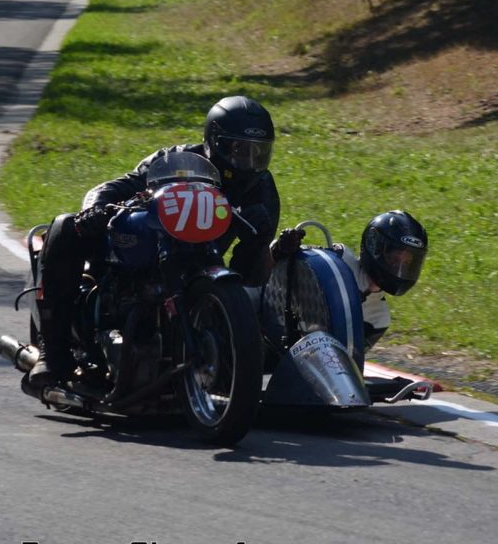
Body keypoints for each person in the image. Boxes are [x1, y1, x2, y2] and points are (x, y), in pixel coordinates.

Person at [29, 95, 295, 388]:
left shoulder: (262, 189)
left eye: (259, 153)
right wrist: (95, 209)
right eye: (240, 150)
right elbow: (117, 185)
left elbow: (247, 276)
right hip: (150, 253)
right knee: (65, 226)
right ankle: (51, 352)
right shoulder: (174, 162)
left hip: (204, 265)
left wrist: (257, 240)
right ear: (214, 142)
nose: (249, 162)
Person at [275, 210, 428, 350]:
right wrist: (283, 247)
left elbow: (349, 361)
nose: (399, 268)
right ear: (374, 247)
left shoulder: (378, 318)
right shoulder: (339, 260)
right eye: (394, 258)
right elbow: (280, 265)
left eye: (407, 263)